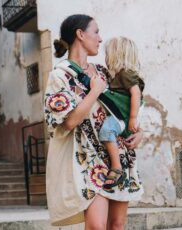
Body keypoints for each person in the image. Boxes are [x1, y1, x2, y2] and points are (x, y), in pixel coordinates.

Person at [44, 14, 144, 229]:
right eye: (96, 32)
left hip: (117, 155)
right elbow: (69, 122)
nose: (100, 39)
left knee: (117, 225)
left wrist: (139, 132)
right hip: (87, 160)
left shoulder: (103, 72)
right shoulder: (60, 76)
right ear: (80, 34)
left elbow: (122, 107)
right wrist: (95, 91)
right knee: (97, 226)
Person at [99, 37, 145, 189]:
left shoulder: (125, 74)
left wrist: (132, 118)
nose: (105, 58)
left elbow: (136, 94)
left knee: (106, 131)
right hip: (123, 117)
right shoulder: (121, 75)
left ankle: (116, 167)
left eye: (107, 54)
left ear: (116, 56)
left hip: (123, 117)